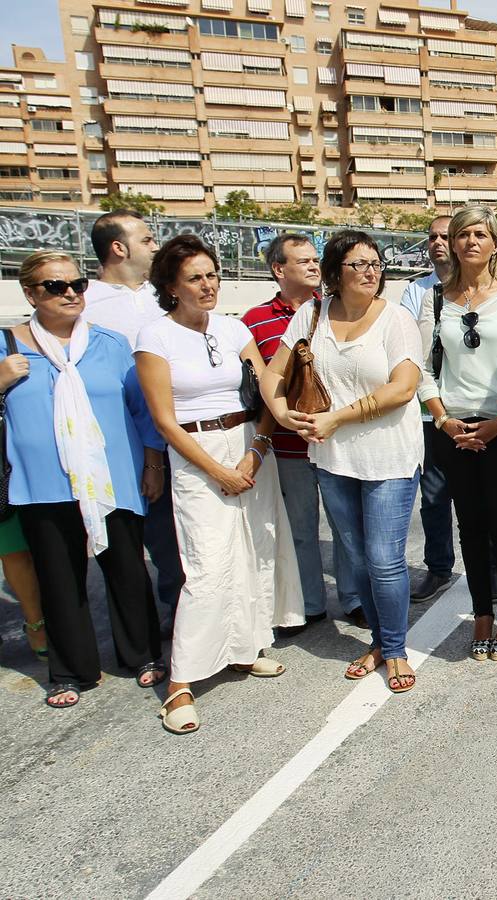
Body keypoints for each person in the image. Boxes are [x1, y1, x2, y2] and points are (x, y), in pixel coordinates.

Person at [136, 235, 305, 733]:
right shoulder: (155, 338)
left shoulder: (233, 330)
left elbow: (267, 391)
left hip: (249, 447)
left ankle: (243, 648)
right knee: (207, 566)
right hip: (196, 456)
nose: (207, 284)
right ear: (171, 285)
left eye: (212, 274)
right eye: (195, 277)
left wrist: (256, 451)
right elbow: (165, 422)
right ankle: (180, 685)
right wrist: (218, 470)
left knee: (255, 551)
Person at [262, 231, 424, 694]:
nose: (370, 271)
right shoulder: (310, 316)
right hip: (332, 457)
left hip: (388, 457)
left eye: (375, 263)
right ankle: (377, 639)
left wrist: (337, 417)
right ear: (335, 272)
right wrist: (283, 415)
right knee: (354, 556)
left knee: (384, 559)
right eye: (358, 264)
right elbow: (274, 373)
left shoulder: (396, 319)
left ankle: (393, 650)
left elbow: (403, 388)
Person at [5, 251, 166, 708]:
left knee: (128, 570)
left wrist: (152, 464)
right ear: (30, 293)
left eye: (77, 284)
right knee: (59, 577)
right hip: (43, 482)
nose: (71, 293)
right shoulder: (7, 346)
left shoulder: (110, 344)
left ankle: (141, 654)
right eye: (56, 286)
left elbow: (142, 408)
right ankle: (70, 670)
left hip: (112, 478)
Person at [416, 207, 497, 661]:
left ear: (495, 244)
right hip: (451, 426)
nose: (470, 242)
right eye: (463, 234)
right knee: (469, 523)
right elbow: (421, 367)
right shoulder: (435, 300)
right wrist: (443, 419)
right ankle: (482, 611)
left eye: (480, 234)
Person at [243, 234, 363, 634]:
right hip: (289, 445)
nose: (315, 266)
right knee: (300, 529)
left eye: (317, 259)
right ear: (279, 269)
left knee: (347, 527)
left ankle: (354, 598)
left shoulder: (336, 310)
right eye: (304, 261)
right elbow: (257, 382)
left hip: (335, 441)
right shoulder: (253, 321)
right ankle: (308, 604)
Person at [81, 210, 185, 629]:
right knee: (128, 540)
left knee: (175, 536)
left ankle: (184, 615)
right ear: (118, 248)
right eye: (146, 239)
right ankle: (145, 629)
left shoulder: (161, 297)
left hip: (174, 435)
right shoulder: (85, 303)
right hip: (116, 442)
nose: (155, 246)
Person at [399, 215, 456, 603]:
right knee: (434, 495)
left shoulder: (482, 291)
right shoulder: (416, 291)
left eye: (445, 236)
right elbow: (412, 350)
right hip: (428, 411)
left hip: (474, 409)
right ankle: (439, 568)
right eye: (432, 236)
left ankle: (490, 571)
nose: (437, 243)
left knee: (479, 500)